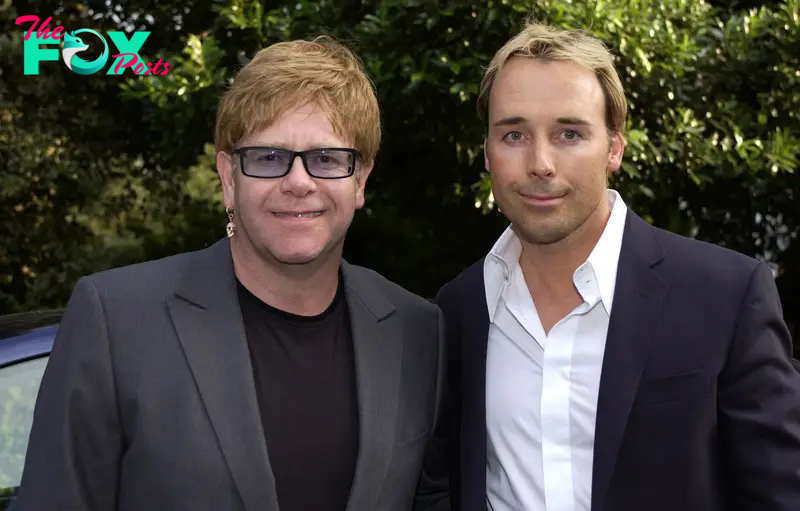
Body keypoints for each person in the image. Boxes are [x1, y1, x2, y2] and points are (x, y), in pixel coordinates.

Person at [17, 35, 445, 511]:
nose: (299, 182)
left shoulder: (417, 331)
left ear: (360, 180)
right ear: (227, 176)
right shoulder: (116, 321)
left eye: (326, 159)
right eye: (268, 157)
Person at [428, 20, 800, 511]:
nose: (540, 163)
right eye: (514, 134)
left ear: (614, 149)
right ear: (487, 154)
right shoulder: (456, 311)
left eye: (569, 133)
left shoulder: (727, 296)